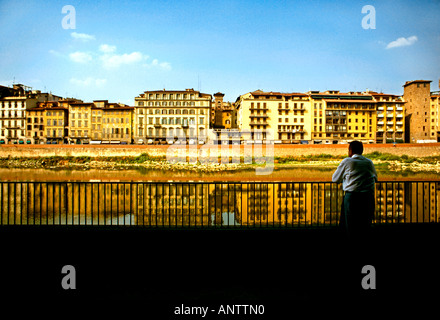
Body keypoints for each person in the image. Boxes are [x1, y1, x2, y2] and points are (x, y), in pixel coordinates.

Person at [332, 141, 378, 244]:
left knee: (350, 225)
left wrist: (346, 178)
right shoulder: (369, 162)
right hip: (367, 197)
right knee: (365, 224)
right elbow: (375, 178)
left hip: (352, 197)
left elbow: (335, 179)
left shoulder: (347, 161)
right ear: (362, 150)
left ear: (350, 150)